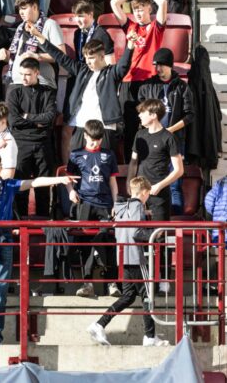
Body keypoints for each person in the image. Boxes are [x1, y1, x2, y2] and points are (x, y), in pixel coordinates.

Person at [0, 138, 72, 345]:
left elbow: (34, 182)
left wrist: (59, 180)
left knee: (1, 291)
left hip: (4, 240)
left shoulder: (8, 185)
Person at [28, 18, 135, 155]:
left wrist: (130, 45)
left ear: (102, 56)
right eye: (85, 58)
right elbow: (60, 57)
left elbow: (124, 65)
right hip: (81, 124)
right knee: (77, 163)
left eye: (91, 58)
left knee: (104, 166)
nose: (88, 62)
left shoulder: (111, 73)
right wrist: (39, 36)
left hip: (104, 126)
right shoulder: (82, 70)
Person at [87, 176, 170, 348]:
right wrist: (156, 234)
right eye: (148, 195)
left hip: (123, 258)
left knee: (128, 296)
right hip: (136, 258)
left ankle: (99, 324)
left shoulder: (121, 207)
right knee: (148, 296)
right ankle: (149, 337)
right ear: (145, 192)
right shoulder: (138, 206)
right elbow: (137, 232)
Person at [111, 0, 168, 158]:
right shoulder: (131, 26)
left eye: (141, 8)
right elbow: (114, 3)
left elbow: (163, 2)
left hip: (148, 80)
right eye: (135, 9)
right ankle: (130, 164)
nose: (138, 12)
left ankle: (149, 161)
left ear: (150, 9)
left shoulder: (155, 27)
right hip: (128, 80)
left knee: (149, 123)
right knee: (129, 127)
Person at [137, 48, 194, 215]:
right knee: (149, 182)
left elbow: (190, 115)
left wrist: (169, 130)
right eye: (156, 65)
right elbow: (140, 110)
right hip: (151, 141)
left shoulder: (181, 87)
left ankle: (174, 222)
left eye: (162, 65)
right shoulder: (148, 86)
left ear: (170, 66)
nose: (158, 69)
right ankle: (151, 222)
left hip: (174, 140)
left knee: (175, 184)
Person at [68, 119, 120, 299]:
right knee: (86, 242)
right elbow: (69, 179)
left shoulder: (109, 155)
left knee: (107, 241)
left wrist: (115, 204)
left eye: (98, 140)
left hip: (105, 204)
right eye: (92, 139)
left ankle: (112, 283)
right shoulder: (75, 155)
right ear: (85, 136)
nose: (95, 143)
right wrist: (70, 192)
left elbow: (113, 181)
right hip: (85, 204)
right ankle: (87, 283)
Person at [7, 57, 57, 216]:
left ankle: (43, 224)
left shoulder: (47, 92)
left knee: (43, 187)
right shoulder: (14, 92)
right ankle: (20, 222)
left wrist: (27, 117)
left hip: (43, 145)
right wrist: (37, 122)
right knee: (20, 186)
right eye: (21, 74)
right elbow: (14, 120)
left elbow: (49, 118)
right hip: (21, 145)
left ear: (37, 73)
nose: (23, 78)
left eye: (27, 74)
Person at [128, 99, 184, 222]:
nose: (139, 115)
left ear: (154, 115)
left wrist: (159, 186)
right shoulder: (140, 135)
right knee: (136, 233)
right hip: (138, 193)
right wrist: (130, 186)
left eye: (143, 112)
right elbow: (133, 162)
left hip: (158, 194)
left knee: (158, 235)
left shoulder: (169, 137)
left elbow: (179, 170)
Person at [3, 0, 63, 88]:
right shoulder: (20, 27)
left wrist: (36, 56)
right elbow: (15, 56)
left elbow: (61, 56)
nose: (21, 13)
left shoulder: (50, 25)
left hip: (41, 85)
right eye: (19, 9)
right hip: (16, 84)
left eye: (24, 8)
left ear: (35, 7)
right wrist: (5, 54)